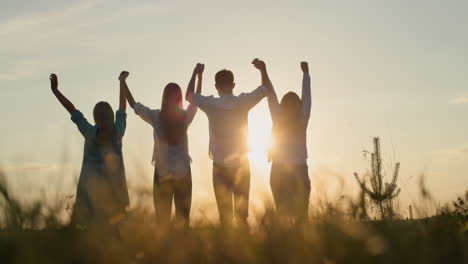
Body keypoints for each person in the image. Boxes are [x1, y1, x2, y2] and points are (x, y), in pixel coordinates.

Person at [121, 64, 204, 227]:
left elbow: (134, 105)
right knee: (183, 221)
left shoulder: (156, 117)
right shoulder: (185, 117)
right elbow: (195, 98)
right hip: (183, 174)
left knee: (162, 222)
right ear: (179, 98)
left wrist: (123, 82)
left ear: (164, 98)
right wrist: (197, 75)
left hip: (162, 174)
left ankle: (164, 252)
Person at [186, 64, 269, 227]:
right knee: (242, 217)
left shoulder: (211, 104)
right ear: (233, 85)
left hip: (219, 168)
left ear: (216, 87)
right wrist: (262, 70)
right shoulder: (243, 102)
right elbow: (265, 89)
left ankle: (226, 251)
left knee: (225, 218)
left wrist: (195, 73)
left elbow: (189, 95)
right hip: (242, 167)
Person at [50, 72, 130, 227]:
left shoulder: (90, 132)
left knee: (94, 236)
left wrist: (56, 91)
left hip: (94, 199)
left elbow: (73, 110)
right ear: (110, 118)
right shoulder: (117, 131)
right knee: (109, 237)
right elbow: (122, 107)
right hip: (108, 199)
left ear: (96, 119)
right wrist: (121, 82)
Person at [252, 59, 312, 222]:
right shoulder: (302, 118)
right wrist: (306, 74)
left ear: (283, 105)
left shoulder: (278, 117)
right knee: (301, 217)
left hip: (279, 171)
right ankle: (303, 246)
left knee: (282, 217)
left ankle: (284, 245)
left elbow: (270, 93)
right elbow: (307, 97)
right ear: (299, 105)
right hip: (299, 169)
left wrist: (263, 70)